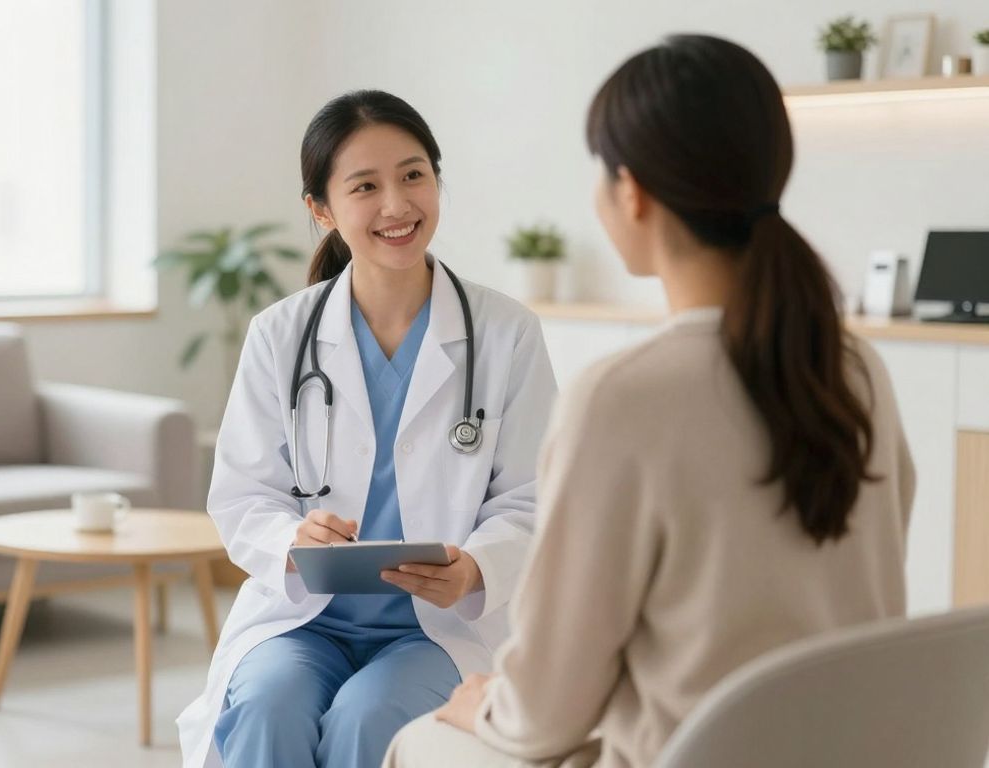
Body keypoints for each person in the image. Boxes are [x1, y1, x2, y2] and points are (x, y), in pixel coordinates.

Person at [385, 34, 914, 768]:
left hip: (685, 757)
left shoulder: (624, 398)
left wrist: (488, 706)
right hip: (852, 749)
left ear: (630, 191)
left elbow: (543, 714)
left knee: (421, 739)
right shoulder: (855, 371)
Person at [175, 90, 559, 768]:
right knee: (267, 705)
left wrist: (477, 566)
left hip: (437, 630)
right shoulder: (279, 336)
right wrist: (291, 540)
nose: (397, 205)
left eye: (413, 175)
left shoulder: (505, 334)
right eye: (365, 186)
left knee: (371, 716)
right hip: (301, 622)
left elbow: (534, 496)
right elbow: (242, 496)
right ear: (321, 209)